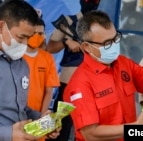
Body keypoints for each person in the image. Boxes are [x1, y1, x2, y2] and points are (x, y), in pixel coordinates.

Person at [62, 10, 143, 141]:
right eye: (107, 43)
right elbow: (90, 134)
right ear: (87, 47)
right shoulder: (79, 84)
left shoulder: (123, 63)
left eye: (115, 38)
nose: (114, 45)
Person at [0, 0, 60, 140]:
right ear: (1, 27)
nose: (25, 44)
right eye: (21, 37)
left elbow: (20, 108)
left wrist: (44, 122)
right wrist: (8, 134)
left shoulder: (21, 65)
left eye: (29, 38)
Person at [46, 0, 101, 141]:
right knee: (60, 128)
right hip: (69, 83)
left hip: (92, 85)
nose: (93, 3)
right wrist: (66, 42)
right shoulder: (69, 22)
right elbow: (50, 48)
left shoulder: (100, 25)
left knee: (87, 127)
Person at [23, 18, 60, 115]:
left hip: (37, 114)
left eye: (40, 33)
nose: (37, 36)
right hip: (14, 115)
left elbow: (49, 91)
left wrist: (42, 115)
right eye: (34, 33)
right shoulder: (15, 56)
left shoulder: (48, 58)